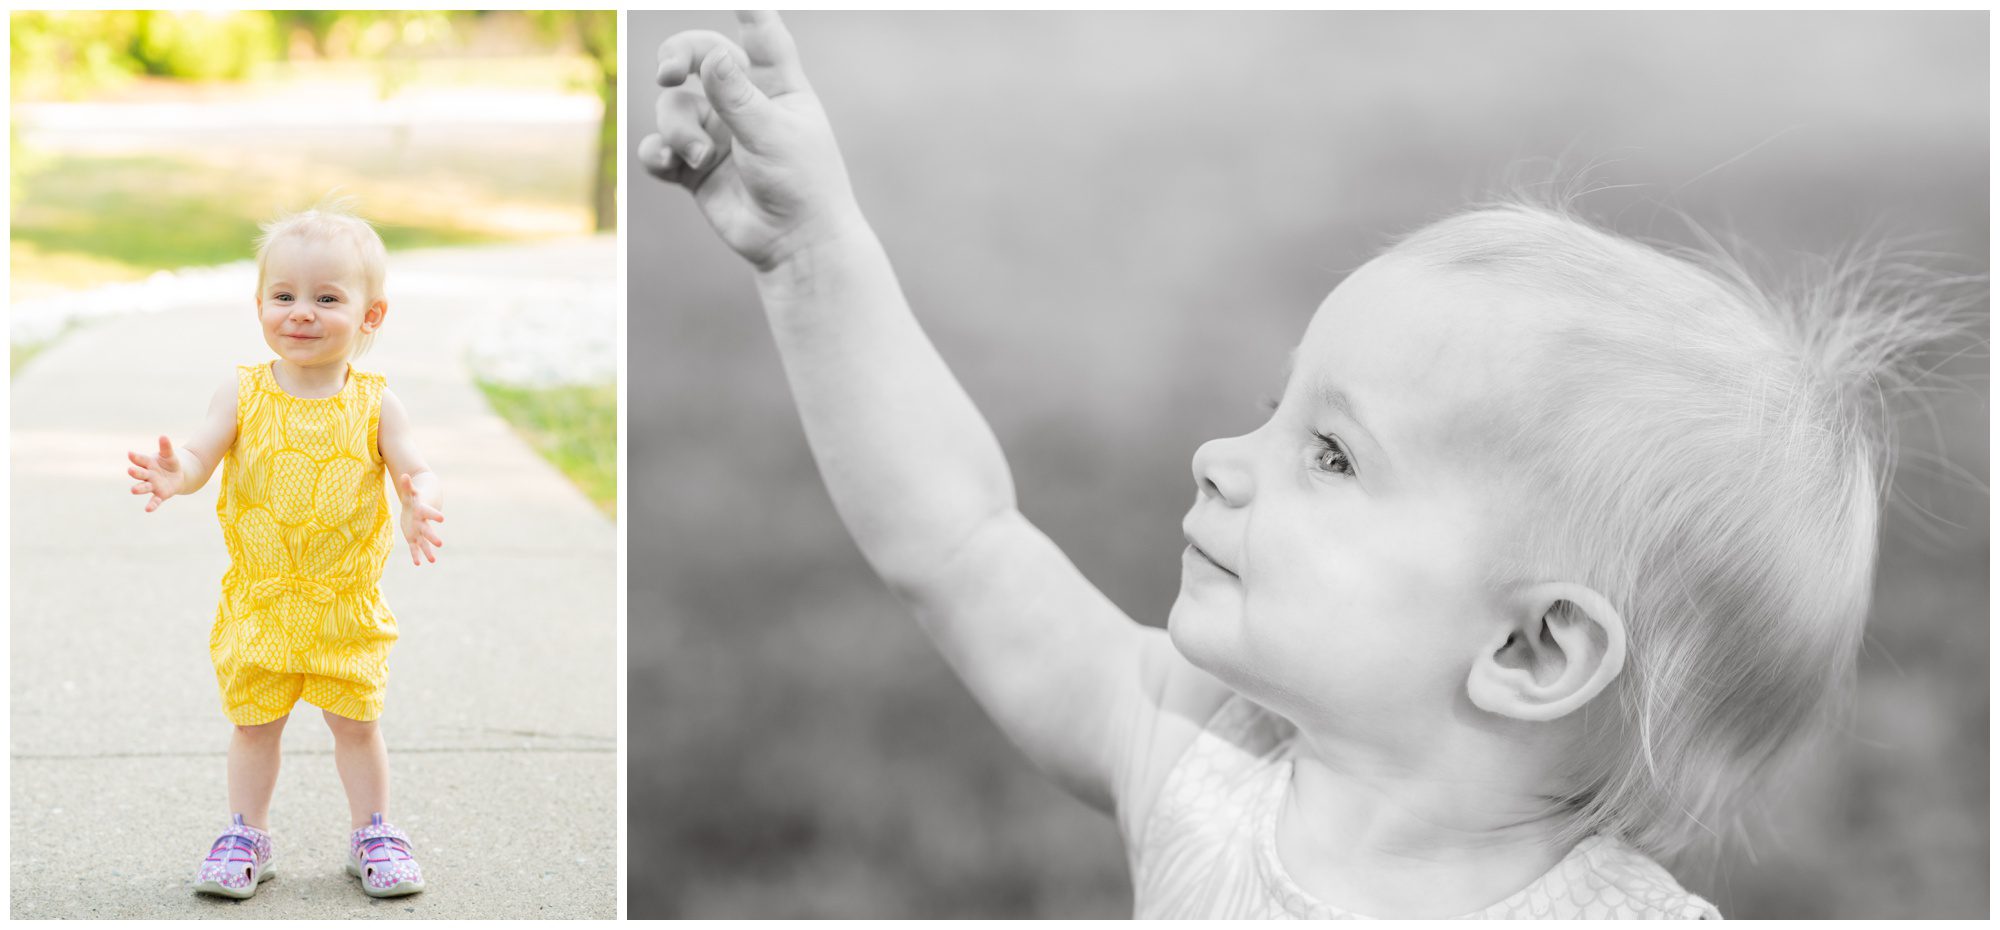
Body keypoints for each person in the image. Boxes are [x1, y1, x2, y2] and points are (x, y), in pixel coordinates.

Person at [642, 12, 1968, 918]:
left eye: (1330, 452)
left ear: (1534, 648)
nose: (1222, 457)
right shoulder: (1196, 758)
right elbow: (960, 542)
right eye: (1273, 411)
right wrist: (815, 255)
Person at [126, 199, 444, 900]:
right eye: (284, 295)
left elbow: (410, 464)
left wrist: (419, 498)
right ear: (260, 304)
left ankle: (375, 832)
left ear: (371, 317)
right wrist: (176, 474)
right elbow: (201, 453)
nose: (301, 311)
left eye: (327, 298)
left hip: (343, 606)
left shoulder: (375, 403)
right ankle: (247, 831)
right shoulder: (241, 393)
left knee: (357, 725)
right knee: (254, 726)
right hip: (262, 602)